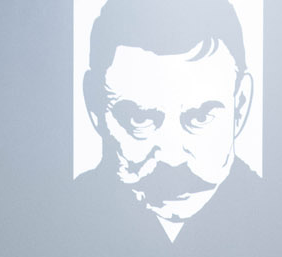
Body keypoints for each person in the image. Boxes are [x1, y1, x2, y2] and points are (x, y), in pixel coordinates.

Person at [78, 0, 260, 243]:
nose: (173, 158)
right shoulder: (52, 221)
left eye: (200, 118)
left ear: (241, 105)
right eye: (139, 119)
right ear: (95, 105)